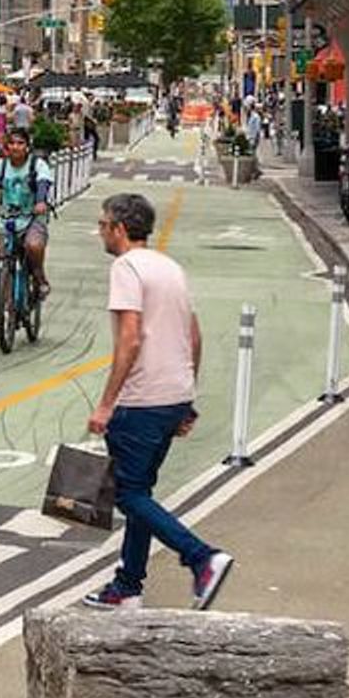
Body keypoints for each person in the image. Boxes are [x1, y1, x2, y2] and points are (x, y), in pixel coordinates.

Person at [81, 192, 234, 610]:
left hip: (141, 399)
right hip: (172, 396)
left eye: (103, 225)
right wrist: (186, 397)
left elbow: (130, 339)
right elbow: (194, 336)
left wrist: (106, 403)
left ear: (120, 228)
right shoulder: (170, 267)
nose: (100, 232)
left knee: (127, 495)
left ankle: (202, 557)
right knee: (140, 491)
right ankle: (128, 584)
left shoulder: (126, 267)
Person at [0, 128, 56, 323]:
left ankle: (39, 279)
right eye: (12, 143)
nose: (16, 147)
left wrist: (41, 202)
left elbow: (43, 183)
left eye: (20, 143)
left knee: (33, 245)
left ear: (28, 146)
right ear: (6, 147)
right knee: (3, 262)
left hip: (33, 218)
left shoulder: (37, 165)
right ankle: (3, 310)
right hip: (8, 220)